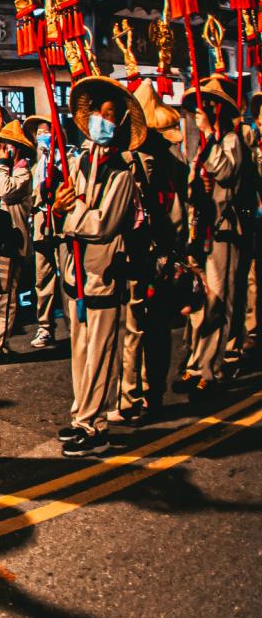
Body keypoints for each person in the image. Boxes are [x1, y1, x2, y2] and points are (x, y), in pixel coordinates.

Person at [51, 75, 144, 459]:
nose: (101, 120)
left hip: (104, 273)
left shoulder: (123, 174)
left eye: (110, 114)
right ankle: (80, 416)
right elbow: (64, 212)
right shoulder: (77, 162)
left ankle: (95, 424)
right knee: (79, 349)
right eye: (98, 113)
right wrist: (59, 207)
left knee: (100, 351)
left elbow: (104, 223)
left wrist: (72, 212)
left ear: (120, 122)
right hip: (76, 274)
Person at [120, 83, 185, 424]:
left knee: (137, 328)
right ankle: (149, 393)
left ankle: (134, 395)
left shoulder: (141, 162)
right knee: (152, 328)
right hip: (162, 253)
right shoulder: (172, 161)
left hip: (144, 254)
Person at [179, 75, 247, 392]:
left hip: (224, 228)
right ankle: (196, 361)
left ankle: (212, 367)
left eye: (206, 107)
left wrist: (209, 135)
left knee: (219, 298)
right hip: (201, 229)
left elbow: (227, 172)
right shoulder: (201, 145)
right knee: (202, 299)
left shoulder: (231, 140)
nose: (200, 112)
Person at [0, 120, 37, 357]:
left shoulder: (23, 173)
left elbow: (5, 190)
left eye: (7, 145)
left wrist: (1, 164)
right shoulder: (3, 169)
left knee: (5, 297)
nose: (2, 149)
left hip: (12, 243)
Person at [27, 115, 65, 350]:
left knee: (68, 277)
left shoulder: (67, 161)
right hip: (42, 224)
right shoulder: (35, 166)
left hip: (62, 224)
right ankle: (45, 326)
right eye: (39, 132)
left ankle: (74, 323)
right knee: (43, 278)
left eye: (46, 131)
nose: (43, 135)